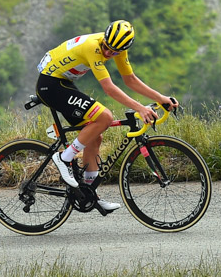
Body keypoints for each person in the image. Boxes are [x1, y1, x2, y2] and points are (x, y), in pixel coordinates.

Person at [34, 19, 178, 212]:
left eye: (115, 52)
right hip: (50, 85)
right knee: (105, 117)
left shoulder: (118, 48)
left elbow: (130, 79)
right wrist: (140, 108)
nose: (109, 53)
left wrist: (161, 98)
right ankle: (64, 158)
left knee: (94, 135)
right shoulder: (92, 47)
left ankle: (90, 194)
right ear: (105, 37)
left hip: (63, 82)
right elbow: (109, 88)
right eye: (107, 47)